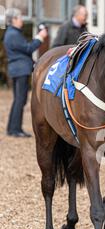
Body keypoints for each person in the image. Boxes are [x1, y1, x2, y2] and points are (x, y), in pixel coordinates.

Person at [3, 8, 48, 137]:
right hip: (20, 70)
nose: (22, 20)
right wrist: (40, 37)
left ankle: (12, 128)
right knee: (20, 100)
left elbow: (23, 49)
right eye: (20, 18)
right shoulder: (13, 34)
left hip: (17, 69)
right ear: (14, 20)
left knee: (18, 100)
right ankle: (15, 129)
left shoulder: (12, 33)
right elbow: (28, 48)